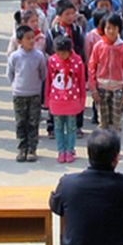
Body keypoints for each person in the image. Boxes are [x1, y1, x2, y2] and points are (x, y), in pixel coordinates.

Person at [7, 25, 47, 162]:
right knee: (21, 122)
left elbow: (43, 73)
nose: (31, 41)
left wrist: (37, 86)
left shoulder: (39, 56)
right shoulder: (15, 56)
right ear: (20, 41)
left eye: (32, 38)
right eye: (28, 38)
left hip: (34, 94)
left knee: (33, 122)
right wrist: (16, 86)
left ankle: (32, 149)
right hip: (19, 94)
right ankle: (22, 148)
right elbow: (10, 74)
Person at [88, 14, 123, 132]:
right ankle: (103, 141)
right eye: (108, 28)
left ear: (119, 29)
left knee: (116, 121)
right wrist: (93, 89)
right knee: (103, 120)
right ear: (103, 29)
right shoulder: (98, 46)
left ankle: (115, 141)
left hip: (118, 88)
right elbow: (92, 67)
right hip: (101, 87)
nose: (111, 31)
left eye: (115, 28)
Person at [45, 36, 86, 164]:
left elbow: (81, 81)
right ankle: (61, 150)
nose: (61, 56)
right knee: (58, 127)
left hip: (72, 100)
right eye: (58, 53)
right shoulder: (52, 61)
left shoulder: (77, 61)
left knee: (71, 127)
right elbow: (48, 80)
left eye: (64, 53)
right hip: (56, 100)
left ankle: (70, 150)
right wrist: (47, 99)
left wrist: (82, 99)